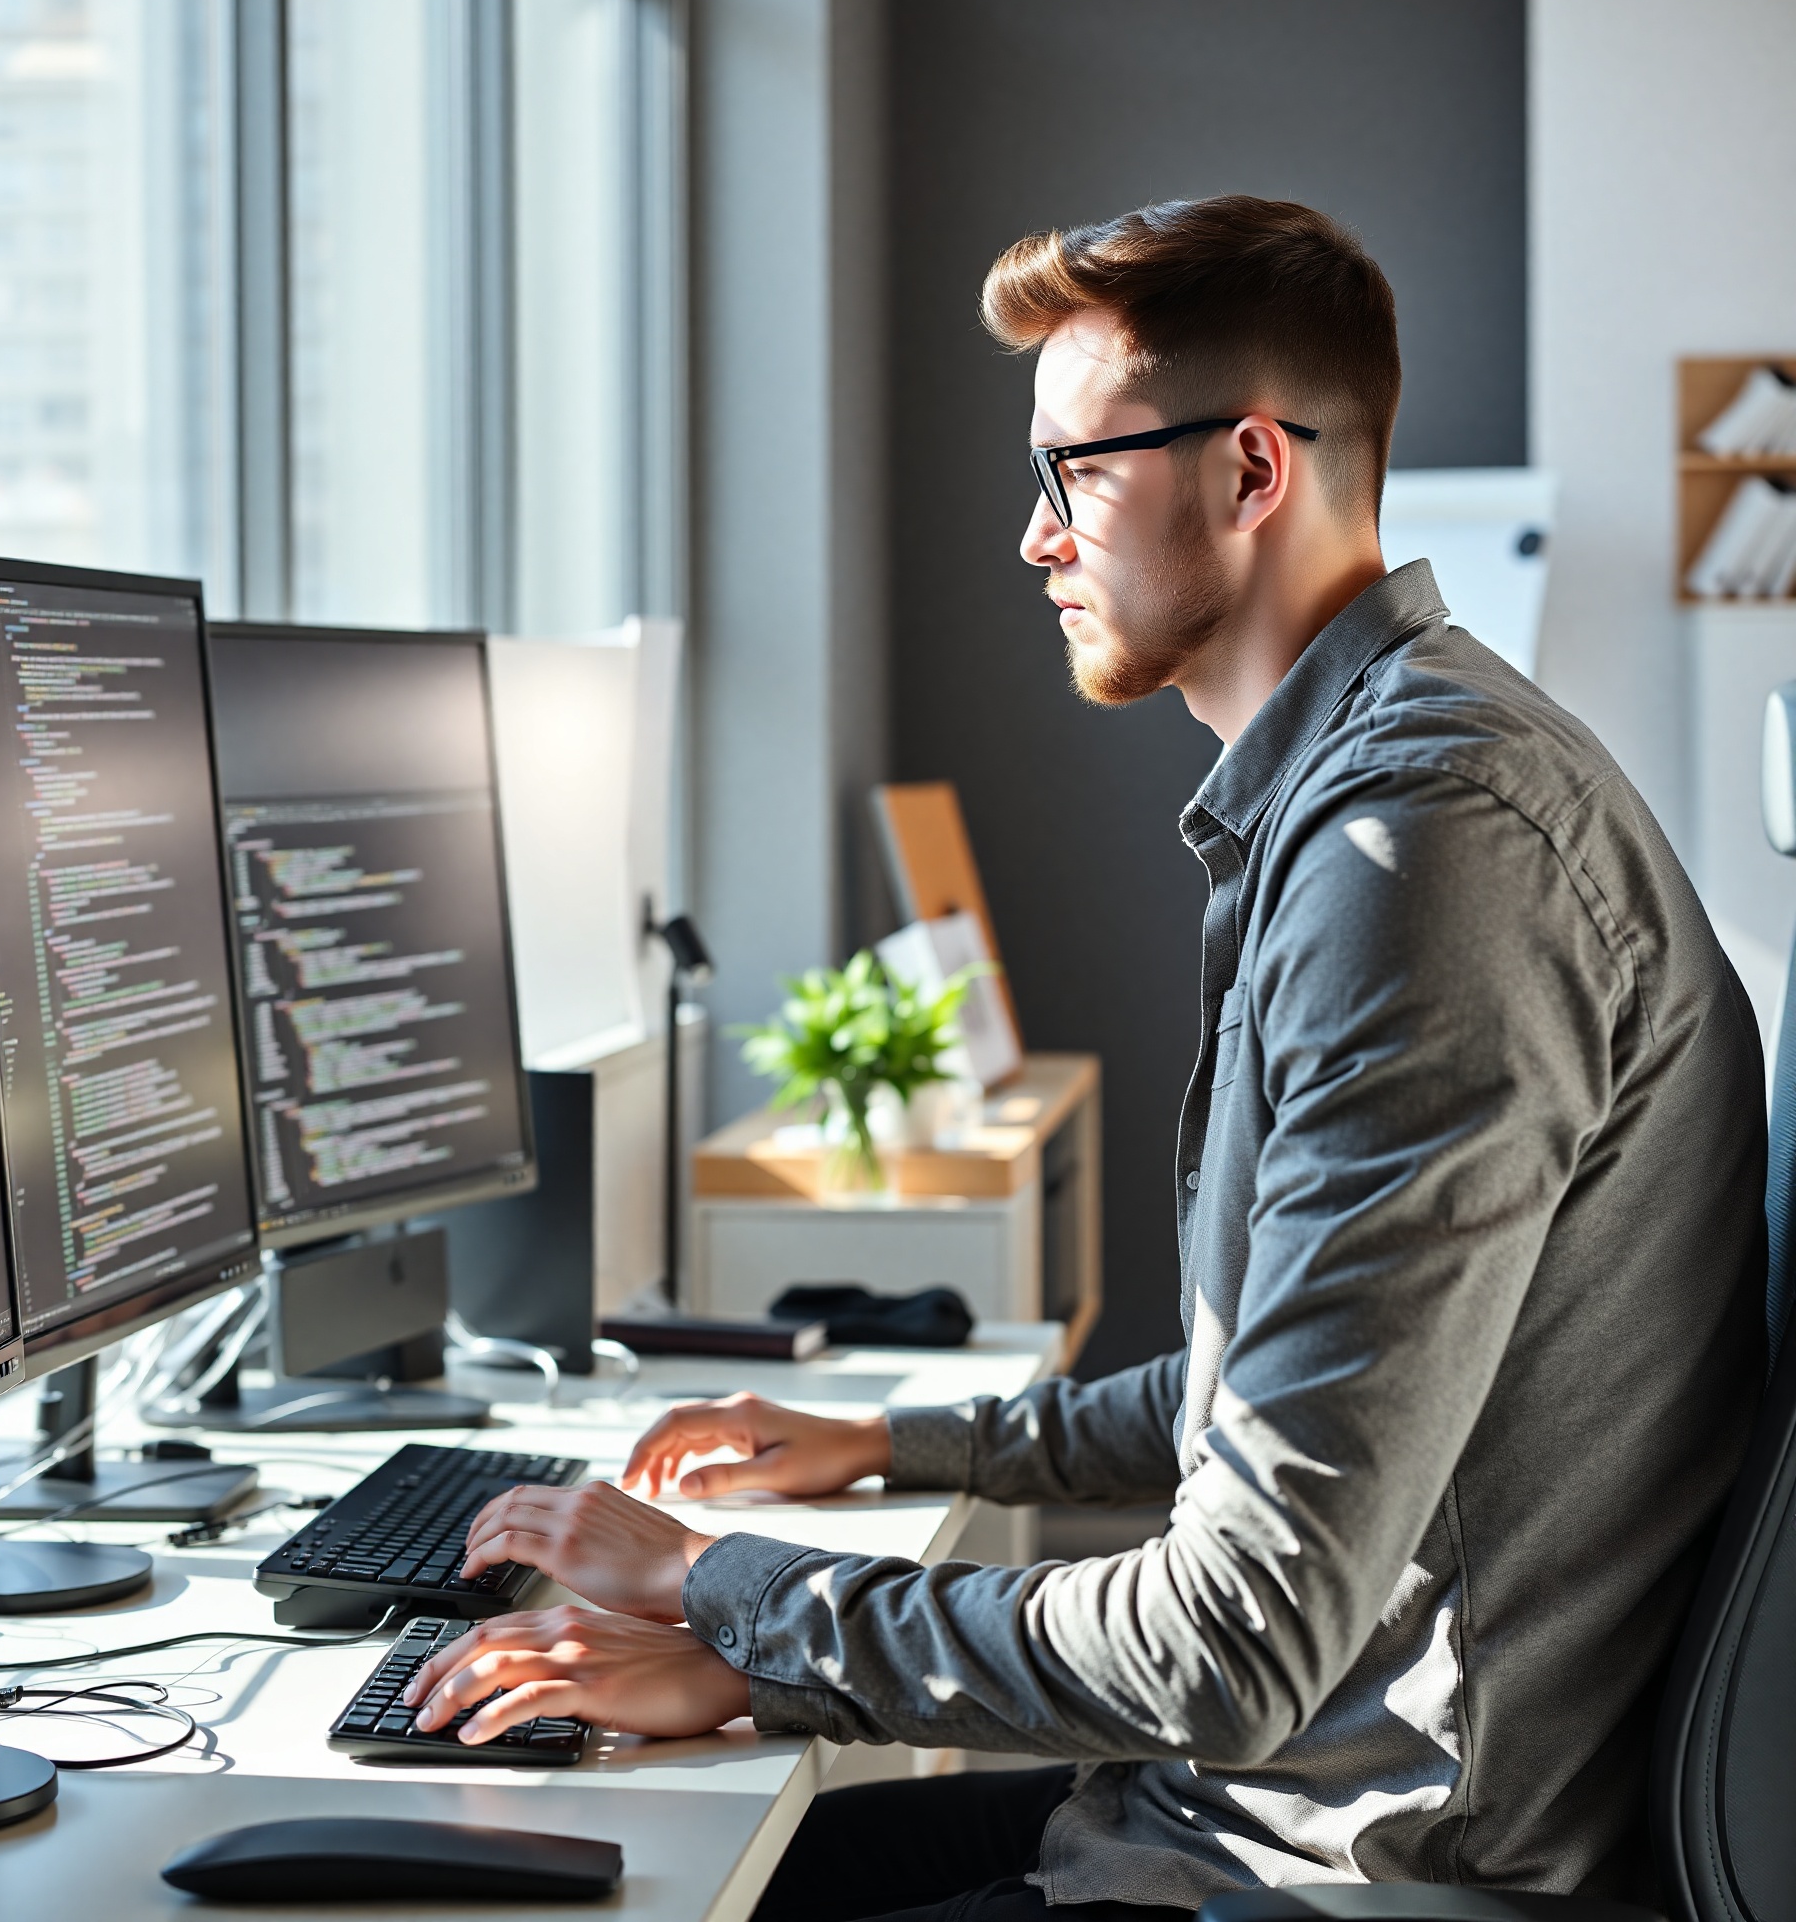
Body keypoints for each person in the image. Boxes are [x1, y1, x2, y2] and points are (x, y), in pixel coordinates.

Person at [400, 196, 1768, 1920]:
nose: (1036, 536)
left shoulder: (1425, 853)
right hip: (1236, 1811)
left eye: (1075, 472)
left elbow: (1240, 1636)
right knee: (609, 1852)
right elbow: (1267, 1396)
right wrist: (892, 1450)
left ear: (1250, 469)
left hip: (1343, 1874)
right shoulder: (1377, 793)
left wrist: (727, 1592)